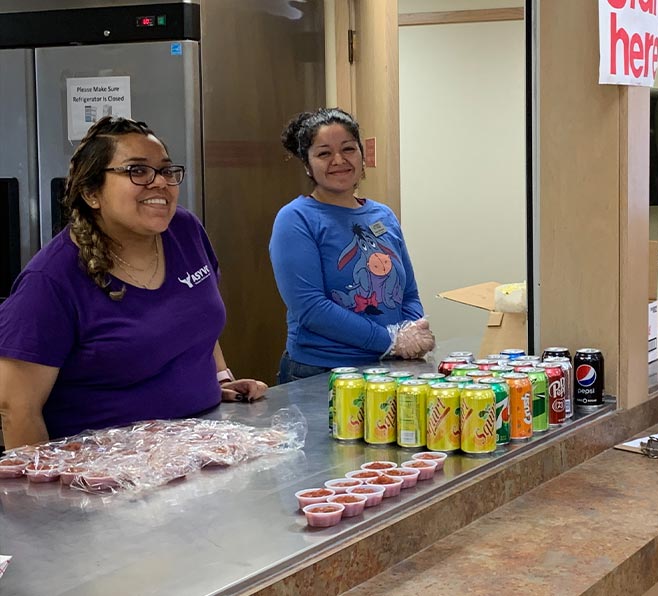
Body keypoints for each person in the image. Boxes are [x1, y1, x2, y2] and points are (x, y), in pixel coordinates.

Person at [0, 117, 267, 450]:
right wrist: (43, 498)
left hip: (197, 449)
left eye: (166, 171)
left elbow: (198, 316)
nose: (160, 183)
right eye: (136, 171)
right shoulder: (51, 280)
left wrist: (218, 379)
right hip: (105, 477)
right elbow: (15, 408)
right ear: (91, 192)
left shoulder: (184, 230)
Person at [270, 108, 434, 383]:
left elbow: (408, 293)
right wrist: (390, 340)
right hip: (322, 372)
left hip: (388, 368)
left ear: (362, 155)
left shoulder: (383, 215)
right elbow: (311, 308)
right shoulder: (296, 219)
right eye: (324, 153)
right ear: (307, 164)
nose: (339, 160)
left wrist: (411, 332)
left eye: (348, 149)